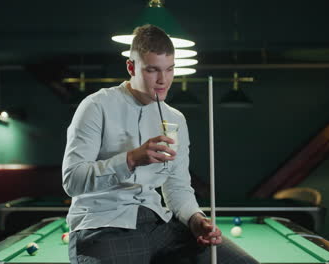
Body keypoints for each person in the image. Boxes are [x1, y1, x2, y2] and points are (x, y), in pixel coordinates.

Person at [62, 24, 258, 264]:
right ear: (131, 67)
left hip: (158, 226)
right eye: (152, 70)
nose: (163, 80)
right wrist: (131, 159)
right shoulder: (96, 106)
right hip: (104, 225)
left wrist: (196, 220)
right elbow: (72, 180)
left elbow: (177, 188)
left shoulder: (175, 119)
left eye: (169, 69)